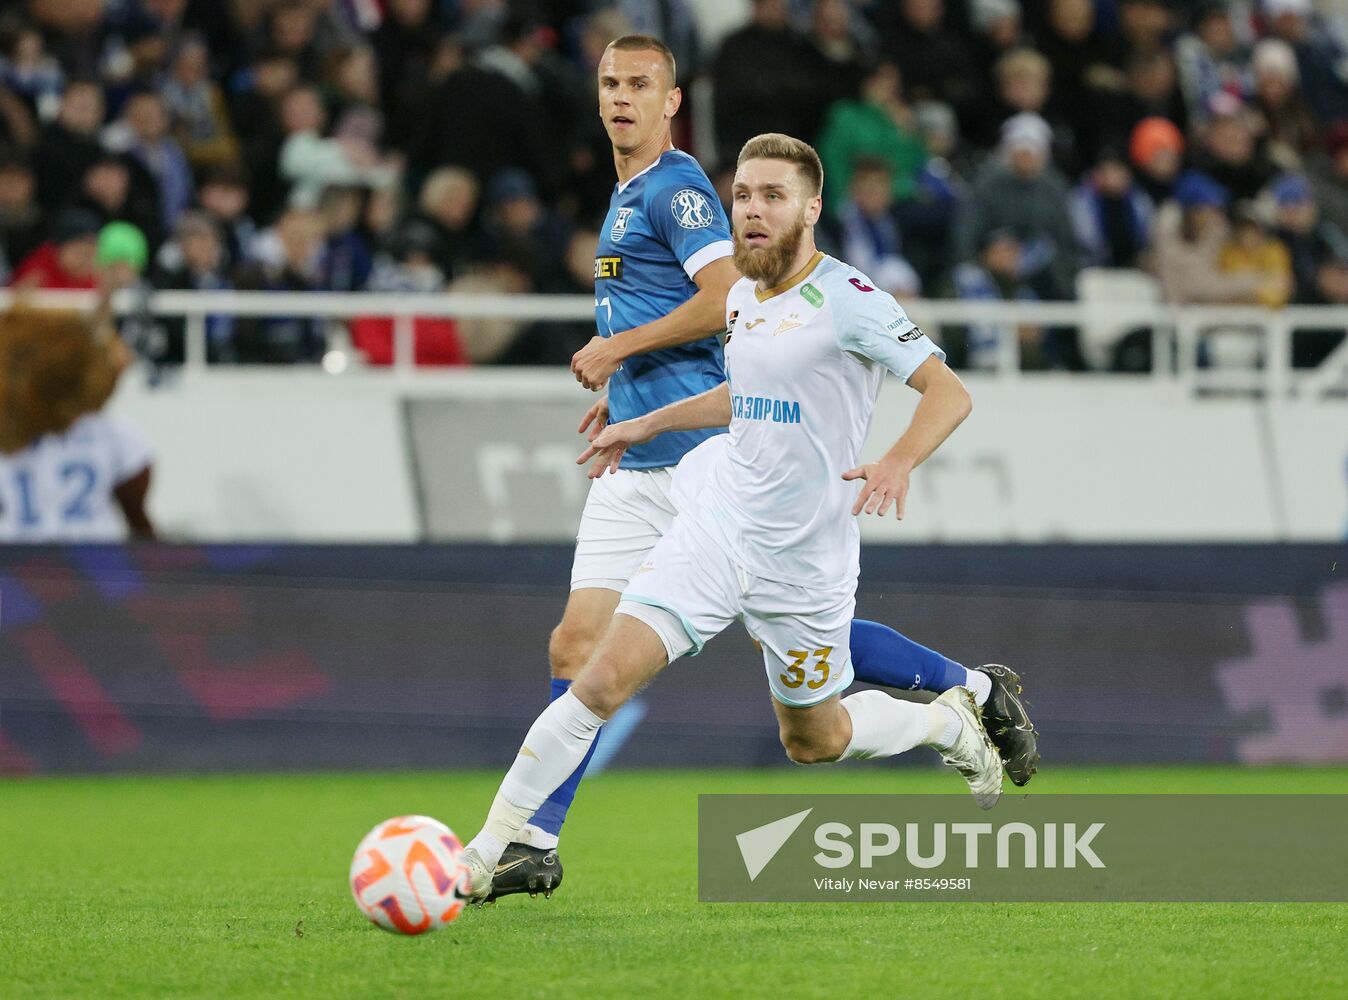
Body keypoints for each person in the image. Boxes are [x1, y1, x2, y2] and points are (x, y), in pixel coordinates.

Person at [493, 36, 1038, 903]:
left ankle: (966, 695)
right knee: (582, 647)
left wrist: (896, 460)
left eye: (640, 85)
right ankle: (522, 841)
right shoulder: (657, 213)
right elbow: (732, 330)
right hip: (666, 458)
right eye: (609, 84)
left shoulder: (692, 202)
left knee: (803, 707)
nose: (621, 98)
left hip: (718, 476)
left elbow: (724, 304)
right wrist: (635, 414)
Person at [0, 303, 154, 541]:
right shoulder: (115, 434)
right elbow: (139, 521)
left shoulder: (114, 435)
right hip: (94, 562)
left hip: (19, 560)